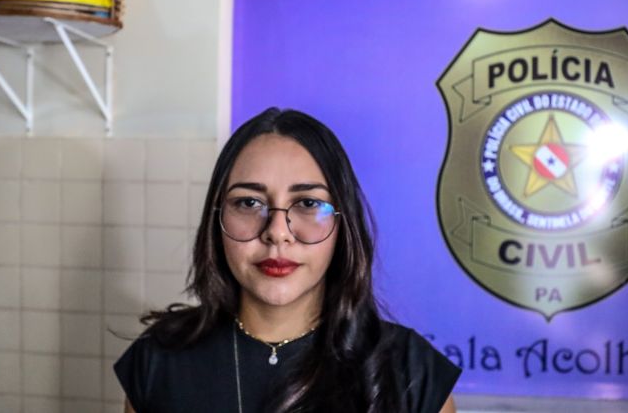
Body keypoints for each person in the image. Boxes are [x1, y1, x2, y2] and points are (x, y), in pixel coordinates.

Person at [115, 108, 461, 412]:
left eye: (308, 203)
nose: (277, 232)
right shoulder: (157, 362)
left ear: (344, 224)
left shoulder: (412, 371)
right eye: (249, 203)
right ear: (217, 218)